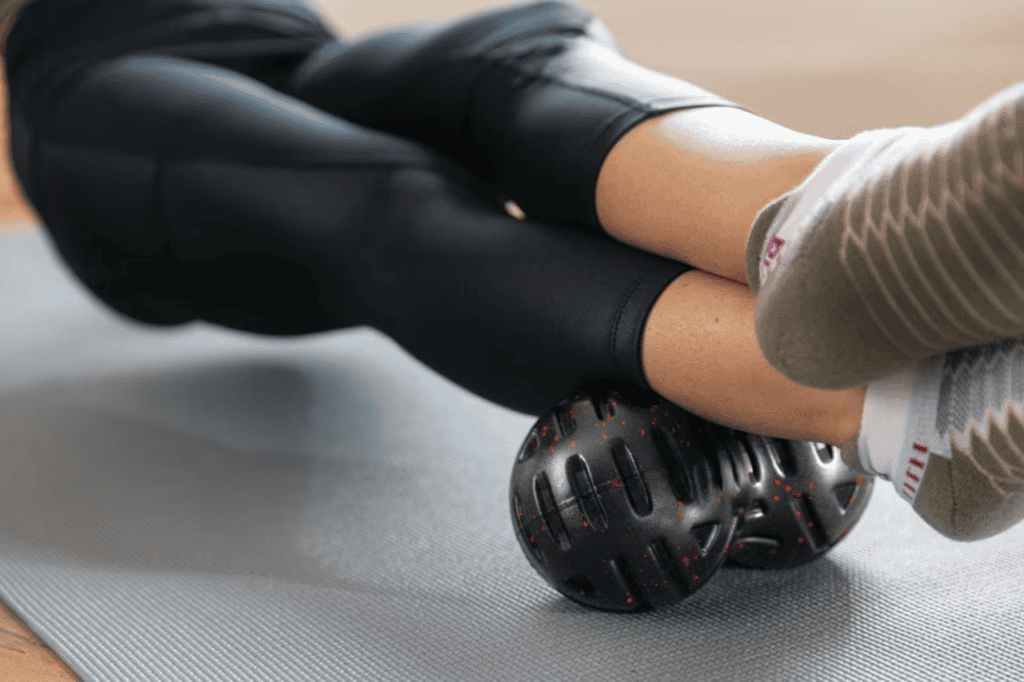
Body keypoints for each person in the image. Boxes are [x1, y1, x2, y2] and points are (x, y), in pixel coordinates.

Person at [2, 0, 1022, 542]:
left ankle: (830, 215)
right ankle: (896, 407)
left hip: (271, 39)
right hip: (87, 105)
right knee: (384, 197)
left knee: (521, 51)